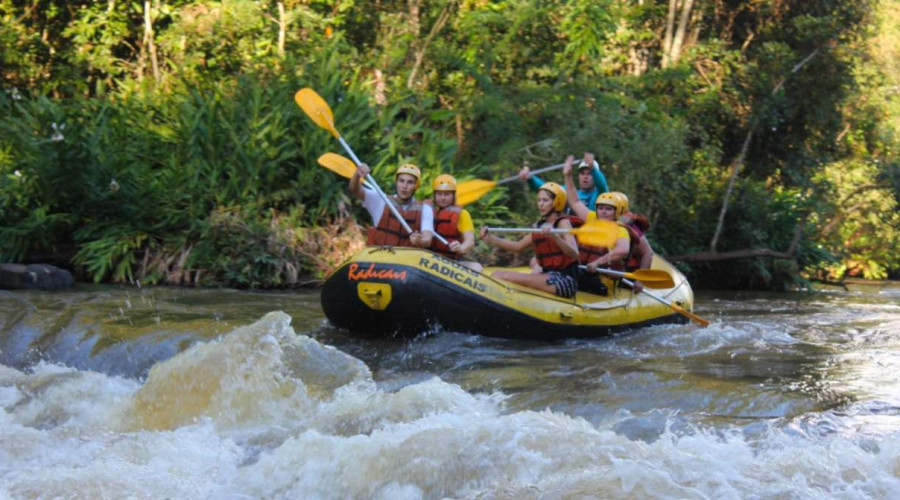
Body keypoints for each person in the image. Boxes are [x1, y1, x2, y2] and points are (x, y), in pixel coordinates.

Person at [479, 182, 580, 298]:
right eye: (539, 200)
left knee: (500, 276)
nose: (540, 204)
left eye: (545, 200)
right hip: (546, 274)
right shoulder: (539, 226)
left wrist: (555, 237)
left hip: (564, 281)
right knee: (497, 274)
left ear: (556, 202)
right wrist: (491, 238)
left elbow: (574, 253)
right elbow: (517, 247)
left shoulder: (563, 223)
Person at [349, 162, 434, 248]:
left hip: (405, 258)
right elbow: (354, 189)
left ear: (416, 186)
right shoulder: (381, 199)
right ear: (396, 182)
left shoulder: (425, 209)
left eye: (410, 182)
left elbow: (427, 239)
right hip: (379, 256)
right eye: (401, 181)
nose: (404, 186)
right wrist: (357, 175)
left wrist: (419, 241)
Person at [428, 174, 483, 271]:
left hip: (452, 260)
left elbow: (470, 240)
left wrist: (461, 248)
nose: (443, 198)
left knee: (477, 267)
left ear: (453, 195)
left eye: (447, 194)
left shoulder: (462, 214)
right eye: (439, 194)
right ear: (434, 195)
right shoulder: (427, 211)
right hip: (429, 259)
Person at [519, 151, 609, 210]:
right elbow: (547, 189)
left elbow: (602, 185)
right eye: (582, 173)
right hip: (569, 233)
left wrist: (592, 168)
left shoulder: (600, 193)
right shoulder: (568, 191)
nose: (585, 177)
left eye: (589, 174)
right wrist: (530, 178)